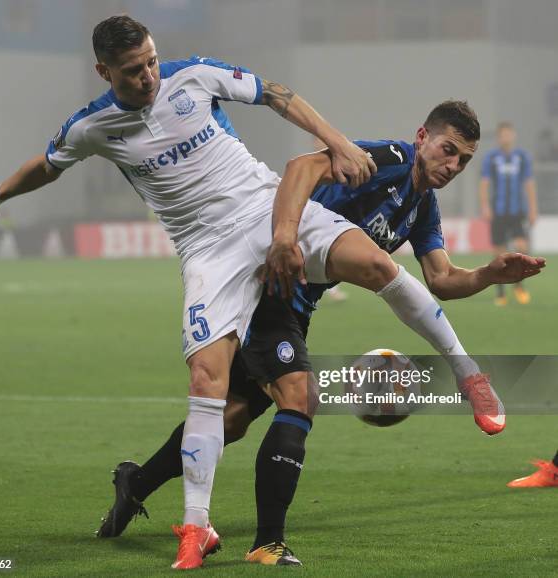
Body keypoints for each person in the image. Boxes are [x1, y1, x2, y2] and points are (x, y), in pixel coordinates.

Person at [0, 14, 377, 571]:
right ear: (103, 71)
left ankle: (465, 371)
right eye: (133, 71)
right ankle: (212, 530)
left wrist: (337, 139)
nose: (149, 77)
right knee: (231, 387)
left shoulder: (195, 77)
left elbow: (278, 95)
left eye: (152, 61)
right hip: (208, 257)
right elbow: (49, 164)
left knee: (240, 411)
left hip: (260, 223)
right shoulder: (93, 125)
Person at [96, 101, 546, 565]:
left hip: (296, 304)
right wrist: (286, 238)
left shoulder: (422, 208)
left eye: (464, 160)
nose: (452, 166)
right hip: (265, 284)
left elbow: (441, 280)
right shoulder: (387, 160)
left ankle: (137, 482)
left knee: (232, 417)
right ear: (421, 138)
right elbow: (302, 168)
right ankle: (267, 542)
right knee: (300, 395)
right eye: (448, 150)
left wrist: (490, 275)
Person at [479, 122, 538, 306]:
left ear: (513, 136)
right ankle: (500, 292)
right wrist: (485, 206)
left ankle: (519, 285)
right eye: (502, 135)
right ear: (498, 137)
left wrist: (533, 208)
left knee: (522, 248)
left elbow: (528, 183)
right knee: (500, 252)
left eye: (508, 134)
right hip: (498, 212)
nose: (505, 137)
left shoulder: (522, 157)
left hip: (517, 211)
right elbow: (484, 183)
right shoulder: (491, 158)